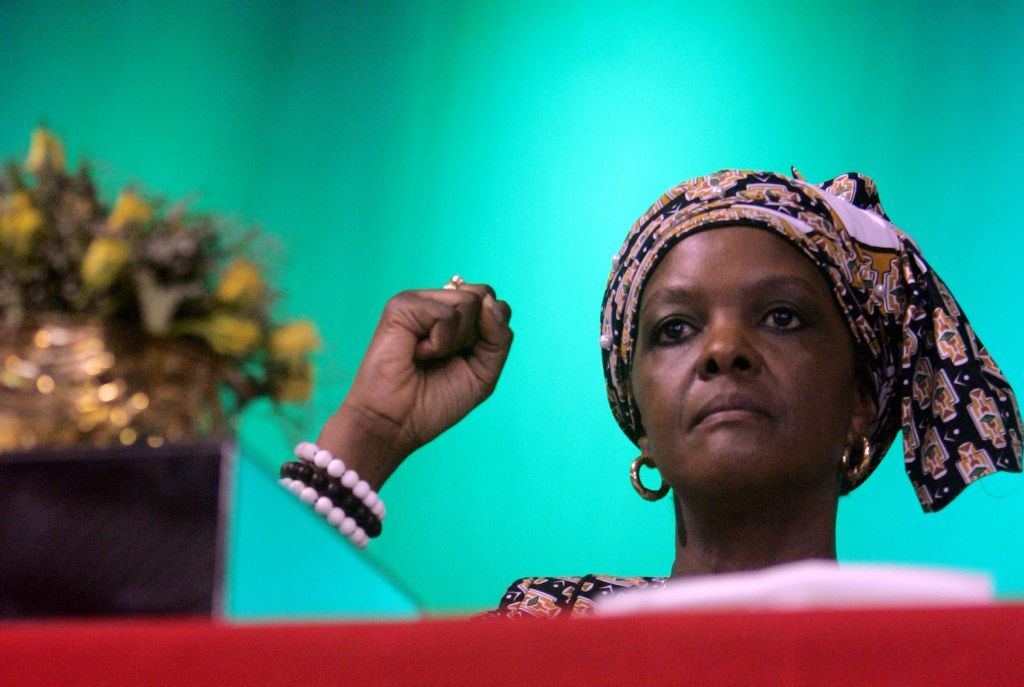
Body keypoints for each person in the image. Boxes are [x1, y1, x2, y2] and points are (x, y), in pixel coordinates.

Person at [284, 169, 1022, 617]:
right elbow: (230, 675)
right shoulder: (544, 636)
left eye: (782, 317)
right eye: (675, 329)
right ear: (638, 422)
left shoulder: (946, 653)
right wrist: (368, 434)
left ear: (862, 399)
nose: (724, 350)